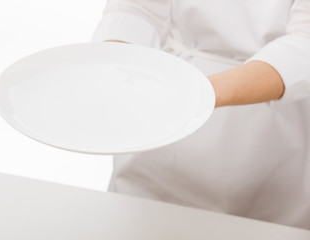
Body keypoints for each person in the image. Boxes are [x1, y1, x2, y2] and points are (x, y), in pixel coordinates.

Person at [91, 0, 310, 229]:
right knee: (137, 224)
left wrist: (194, 93)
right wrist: (113, 74)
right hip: (160, 128)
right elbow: (137, 9)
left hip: (270, 132)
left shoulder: (184, 93)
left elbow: (305, 42)